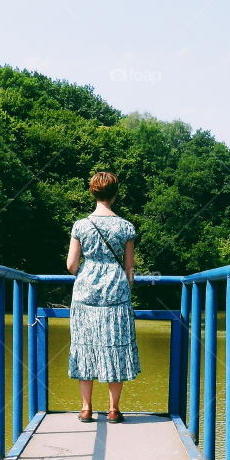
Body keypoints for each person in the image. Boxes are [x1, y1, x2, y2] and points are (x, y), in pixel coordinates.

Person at [66, 171, 141, 422]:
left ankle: (86, 409)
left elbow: (71, 265)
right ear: (115, 194)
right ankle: (113, 410)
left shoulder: (81, 225)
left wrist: (88, 271)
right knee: (115, 346)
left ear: (92, 192)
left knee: (84, 346)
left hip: (85, 292)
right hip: (115, 292)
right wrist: (123, 283)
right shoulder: (125, 226)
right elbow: (129, 268)